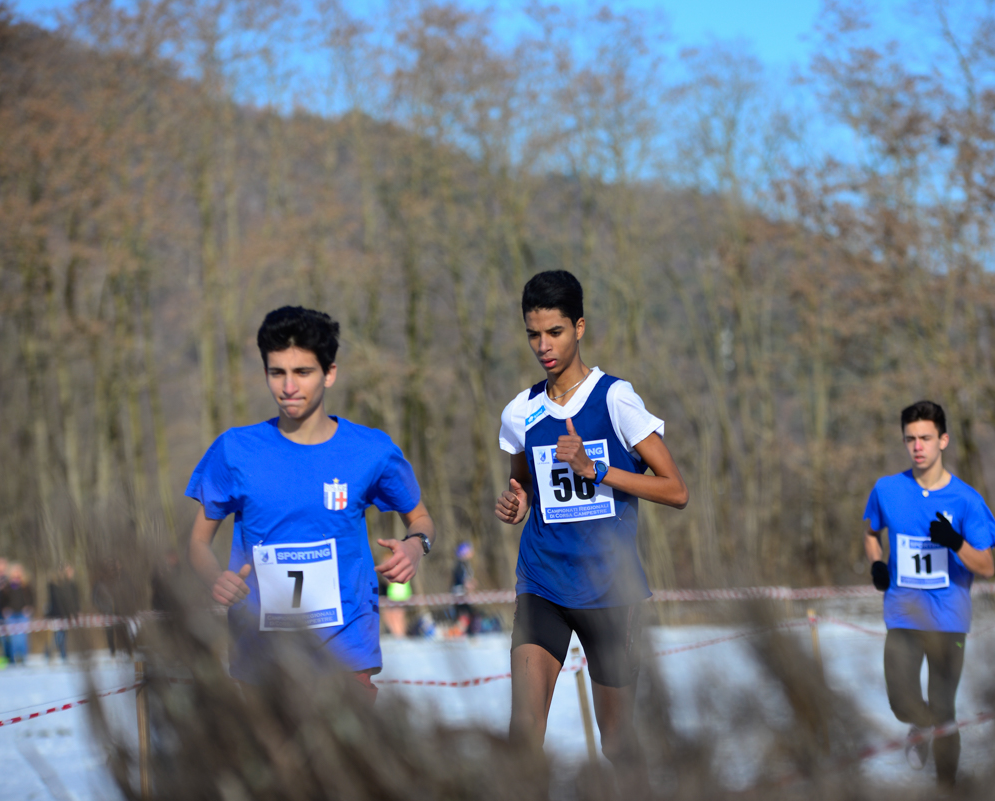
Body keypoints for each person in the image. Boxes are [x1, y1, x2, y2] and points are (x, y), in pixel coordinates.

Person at [494, 270, 688, 792]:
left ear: (579, 327)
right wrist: (518, 501)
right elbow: (523, 481)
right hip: (542, 584)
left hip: (610, 590)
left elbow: (675, 490)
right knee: (523, 734)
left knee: (618, 743)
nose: (543, 346)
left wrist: (596, 470)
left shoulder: (615, 399)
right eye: (533, 334)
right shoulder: (520, 411)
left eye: (554, 332)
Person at [186, 306, 435, 696]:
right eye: (277, 372)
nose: (288, 386)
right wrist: (214, 578)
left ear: (329, 373)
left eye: (302, 372)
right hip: (262, 657)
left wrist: (416, 546)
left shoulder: (370, 450)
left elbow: (420, 519)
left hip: (346, 653)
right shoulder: (235, 450)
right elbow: (198, 543)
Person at [864, 400, 995, 787]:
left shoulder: (966, 500)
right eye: (910, 439)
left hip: (949, 618)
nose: (917, 446)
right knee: (901, 702)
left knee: (943, 710)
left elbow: (986, 566)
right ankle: (918, 728)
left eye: (925, 438)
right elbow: (871, 532)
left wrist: (955, 541)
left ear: (943, 440)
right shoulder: (887, 489)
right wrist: (876, 563)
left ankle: (947, 788)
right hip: (903, 614)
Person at [2, 562, 35, 665]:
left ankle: (23, 658)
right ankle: (13, 659)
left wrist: (29, 608)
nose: (17, 573)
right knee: (13, 639)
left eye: (19, 571)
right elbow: (2, 600)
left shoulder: (26, 585)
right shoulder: (7, 586)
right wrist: (5, 609)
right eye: (15, 571)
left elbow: (32, 599)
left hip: (23, 615)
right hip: (11, 616)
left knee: (22, 638)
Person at [46, 564, 80, 662]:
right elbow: (56, 601)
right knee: (58, 635)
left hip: (65, 613)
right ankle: (50, 652)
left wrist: (74, 612)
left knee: (63, 634)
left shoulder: (71, 585)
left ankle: (62, 653)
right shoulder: (54, 585)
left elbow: (74, 600)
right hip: (57, 613)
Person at [450, 541, 478, 636]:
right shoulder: (460, 565)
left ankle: (466, 632)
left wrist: (471, 583)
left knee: (468, 614)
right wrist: (469, 584)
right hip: (459, 593)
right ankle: (459, 633)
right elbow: (461, 579)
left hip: (464, 593)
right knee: (463, 614)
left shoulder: (466, 564)